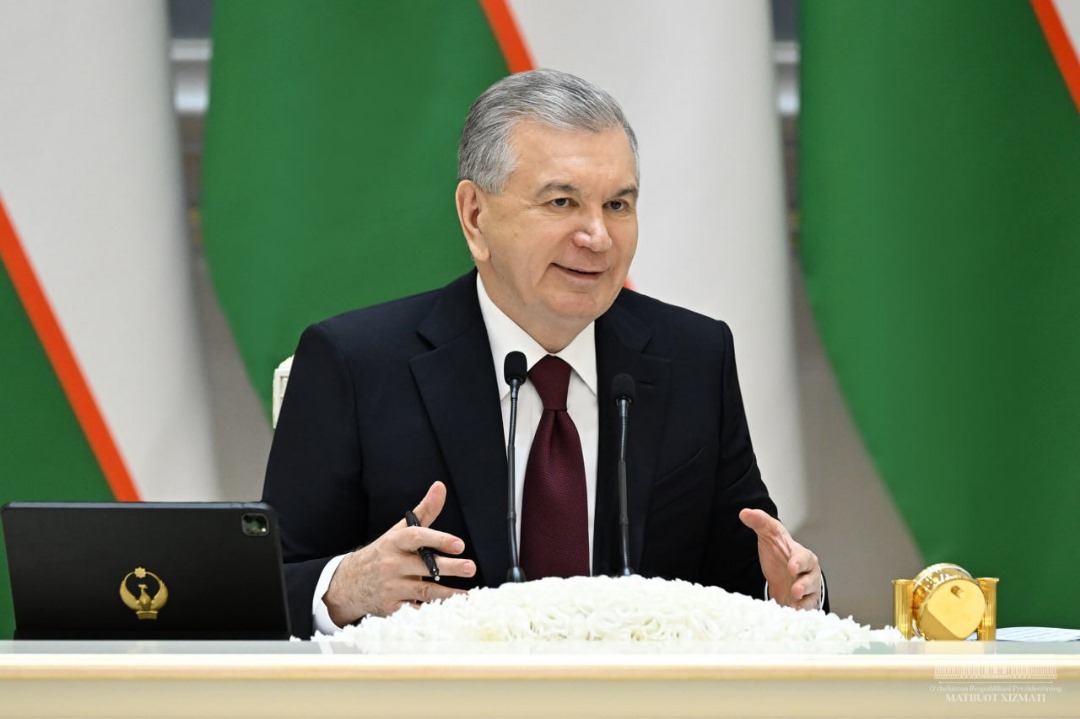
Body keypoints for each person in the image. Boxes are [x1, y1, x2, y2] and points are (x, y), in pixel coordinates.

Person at [263, 69, 825, 638]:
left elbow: (749, 576)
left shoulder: (694, 358)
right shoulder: (355, 364)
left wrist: (791, 592)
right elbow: (260, 592)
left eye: (618, 205)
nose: (597, 236)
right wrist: (348, 587)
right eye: (562, 202)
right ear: (475, 216)